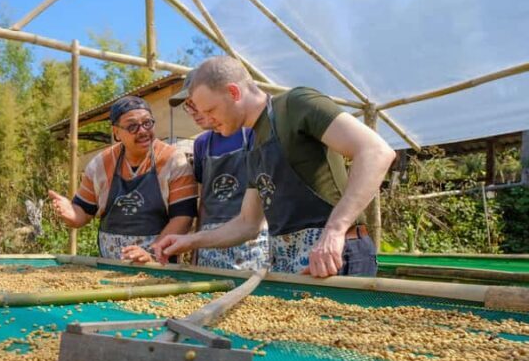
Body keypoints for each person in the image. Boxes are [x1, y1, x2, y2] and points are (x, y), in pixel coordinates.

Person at [156, 56, 396, 277]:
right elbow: (247, 224)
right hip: (291, 263)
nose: (207, 120)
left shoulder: (295, 104)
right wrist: (190, 241)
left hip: (335, 255)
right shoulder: (253, 144)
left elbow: (376, 152)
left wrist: (334, 230)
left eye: (211, 110)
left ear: (233, 92)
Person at [49, 96, 197, 263]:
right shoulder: (100, 165)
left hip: (160, 266)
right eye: (132, 126)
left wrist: (153, 253)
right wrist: (72, 214)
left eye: (147, 123)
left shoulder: (173, 161)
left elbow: (183, 217)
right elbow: (83, 211)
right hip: (109, 266)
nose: (142, 131)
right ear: (116, 132)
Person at [169, 70, 269, 270]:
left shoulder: (251, 133)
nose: (194, 112)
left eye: (195, 104)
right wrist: (196, 248)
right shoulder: (201, 144)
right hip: (209, 239)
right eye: (188, 106)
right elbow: (203, 199)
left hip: (250, 236)